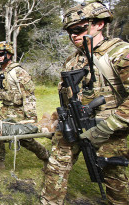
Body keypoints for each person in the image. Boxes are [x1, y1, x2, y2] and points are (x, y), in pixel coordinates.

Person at [40, 1, 129, 204]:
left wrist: (105, 128)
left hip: (108, 131)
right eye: (70, 31)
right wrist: (56, 120)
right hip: (73, 125)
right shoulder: (73, 61)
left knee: (115, 184)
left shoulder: (120, 53)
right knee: (55, 169)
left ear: (100, 24)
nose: (74, 35)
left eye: (79, 29)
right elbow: (67, 97)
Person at [0, 41, 49, 170]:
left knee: (26, 139)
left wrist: (31, 117)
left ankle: (47, 157)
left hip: (18, 110)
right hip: (5, 109)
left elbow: (29, 95)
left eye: (1, 54)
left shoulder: (18, 72)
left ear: (9, 55)